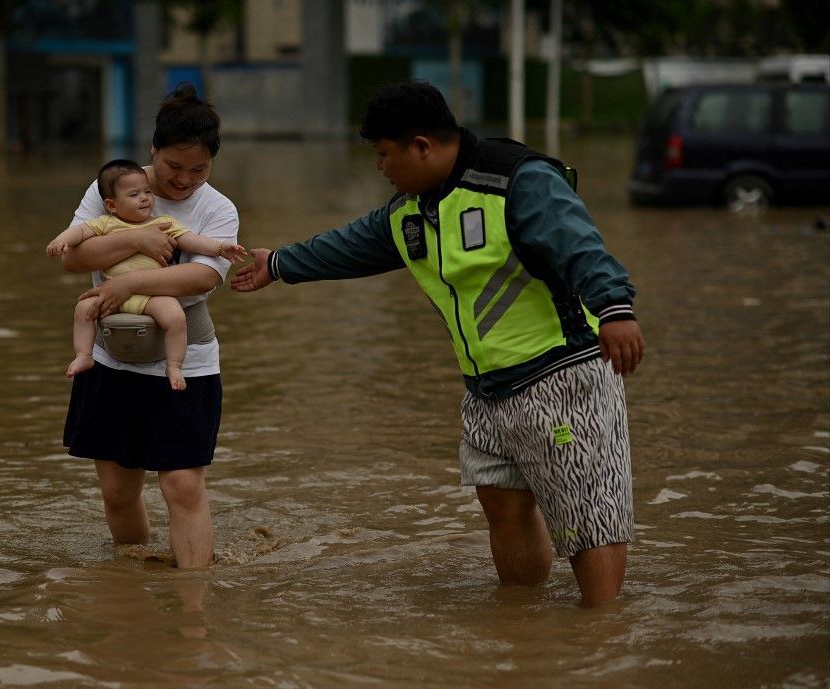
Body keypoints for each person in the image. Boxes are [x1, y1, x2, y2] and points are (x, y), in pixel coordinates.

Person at [231, 80, 645, 607]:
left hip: (562, 375)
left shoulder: (517, 180)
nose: (379, 167)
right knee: (501, 505)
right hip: (487, 390)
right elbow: (354, 244)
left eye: (384, 154)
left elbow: (578, 243)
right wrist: (279, 264)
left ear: (422, 146)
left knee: (590, 518)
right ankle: (522, 627)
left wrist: (615, 308)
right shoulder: (411, 211)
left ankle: (600, 636)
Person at [56, 84, 239, 569]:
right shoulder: (114, 188)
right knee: (117, 489)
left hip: (185, 352)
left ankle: (193, 606)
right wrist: (136, 237)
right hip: (111, 350)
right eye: (173, 167)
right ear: (153, 151)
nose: (183, 181)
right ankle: (131, 583)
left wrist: (130, 278)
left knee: (182, 484)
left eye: (198, 169)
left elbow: (203, 275)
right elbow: (76, 258)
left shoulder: (217, 209)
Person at [46, 159, 246, 387]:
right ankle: (84, 355)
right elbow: (78, 234)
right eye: (134, 195)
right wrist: (60, 240)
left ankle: (173, 365)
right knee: (83, 308)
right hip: (110, 295)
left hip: (151, 296)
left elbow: (192, 241)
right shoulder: (105, 223)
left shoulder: (164, 223)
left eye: (147, 192)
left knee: (175, 316)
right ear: (112, 205)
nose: (144, 198)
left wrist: (220, 248)